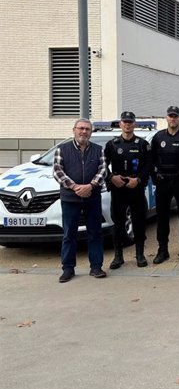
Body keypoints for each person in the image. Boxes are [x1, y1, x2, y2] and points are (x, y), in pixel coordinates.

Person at [53, 118, 108, 283]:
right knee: (69, 234)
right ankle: (68, 269)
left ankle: (96, 267)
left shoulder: (99, 150)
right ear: (74, 130)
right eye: (81, 128)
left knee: (95, 233)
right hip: (70, 199)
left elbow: (103, 170)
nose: (84, 132)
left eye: (87, 129)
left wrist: (91, 186)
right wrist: (75, 187)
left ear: (91, 132)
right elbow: (57, 171)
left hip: (92, 197)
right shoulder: (62, 149)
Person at [149, 106, 179, 264]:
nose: (173, 118)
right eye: (170, 116)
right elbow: (151, 160)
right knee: (162, 217)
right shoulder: (158, 137)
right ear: (166, 118)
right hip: (163, 182)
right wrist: (155, 178)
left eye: (176, 116)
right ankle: (162, 250)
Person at [104, 111, 151, 269]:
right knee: (118, 223)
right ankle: (118, 256)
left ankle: (140, 255)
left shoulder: (142, 144)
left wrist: (138, 180)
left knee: (139, 222)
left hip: (135, 187)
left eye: (130, 122)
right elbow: (102, 165)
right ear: (120, 124)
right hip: (118, 188)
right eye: (125, 122)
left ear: (134, 124)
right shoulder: (112, 144)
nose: (127, 124)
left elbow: (148, 166)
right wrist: (111, 178)